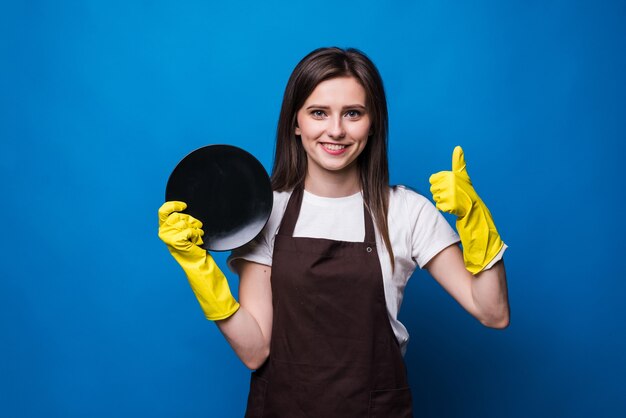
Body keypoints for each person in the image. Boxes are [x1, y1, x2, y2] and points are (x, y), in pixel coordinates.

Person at [158, 47, 509, 417]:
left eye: (353, 113)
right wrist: (198, 269)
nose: (336, 130)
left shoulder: (407, 212)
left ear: (373, 122)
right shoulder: (265, 213)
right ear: (296, 122)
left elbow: (493, 312)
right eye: (318, 113)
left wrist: (474, 220)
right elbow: (254, 350)